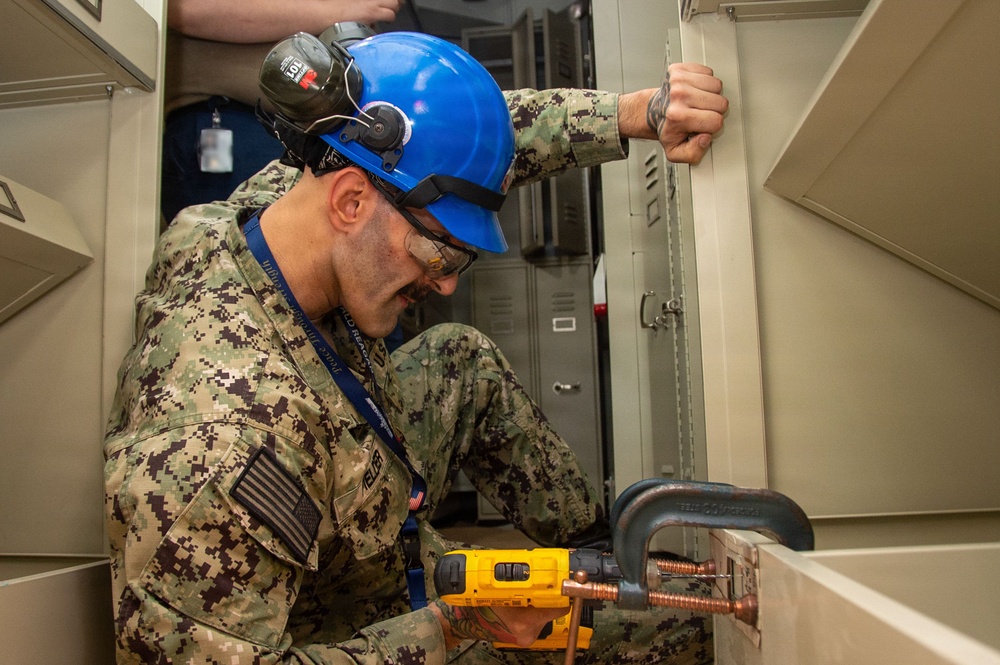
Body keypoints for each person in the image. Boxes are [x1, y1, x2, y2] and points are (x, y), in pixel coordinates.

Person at [105, 30, 726, 665]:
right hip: (351, 617)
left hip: (349, 484)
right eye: (438, 250)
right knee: (687, 623)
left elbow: (469, 137)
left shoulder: (284, 200)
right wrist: (453, 627)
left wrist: (631, 115)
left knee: (460, 361)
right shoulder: (222, 444)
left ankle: (594, 554)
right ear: (351, 203)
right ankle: (602, 606)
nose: (447, 280)